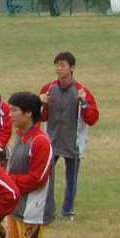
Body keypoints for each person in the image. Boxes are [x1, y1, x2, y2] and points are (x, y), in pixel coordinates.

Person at [0, 91, 56, 238]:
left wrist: (8, 180)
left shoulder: (40, 141)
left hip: (35, 209)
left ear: (29, 113)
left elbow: (37, 178)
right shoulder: (21, 136)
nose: (9, 114)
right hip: (15, 206)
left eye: (14, 110)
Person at [41, 52, 100, 219]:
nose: (58, 69)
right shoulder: (48, 89)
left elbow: (92, 118)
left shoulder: (81, 91)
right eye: (56, 65)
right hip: (51, 141)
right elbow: (41, 117)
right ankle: (47, 210)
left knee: (71, 179)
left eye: (62, 65)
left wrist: (84, 103)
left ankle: (67, 210)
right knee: (46, 177)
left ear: (72, 68)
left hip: (72, 142)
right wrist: (41, 103)